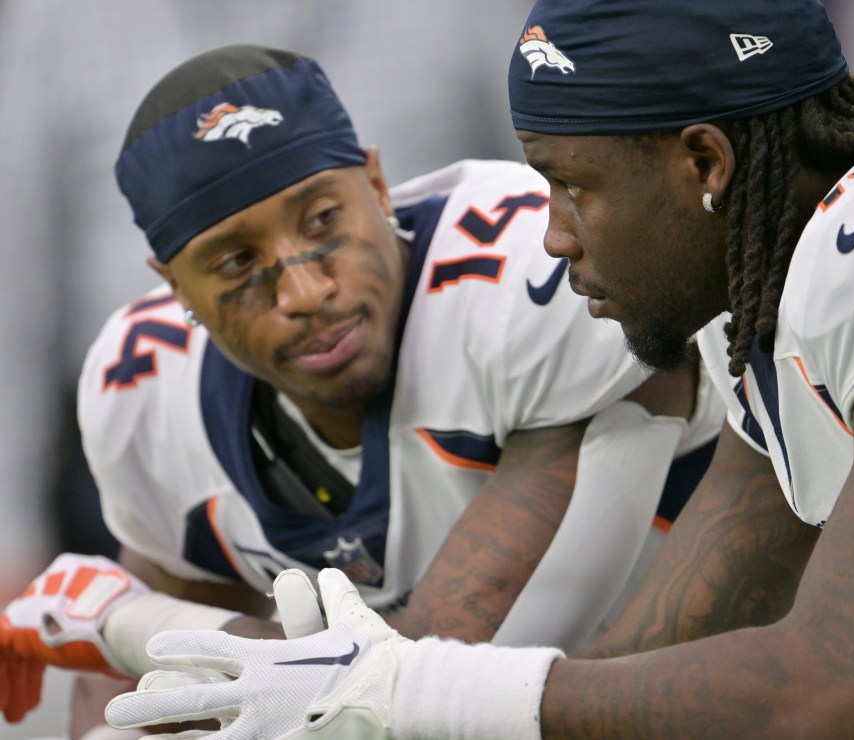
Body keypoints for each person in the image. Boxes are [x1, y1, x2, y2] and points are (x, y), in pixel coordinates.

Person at [101, 1, 854, 738]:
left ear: (704, 161)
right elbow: (639, 658)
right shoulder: (754, 312)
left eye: (573, 185)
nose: (553, 234)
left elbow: (831, 697)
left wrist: (411, 688)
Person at [0, 42, 726, 736]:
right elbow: (155, 695)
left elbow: (410, 693)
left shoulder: (522, 282)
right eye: (235, 261)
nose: (308, 291)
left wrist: (118, 620)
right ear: (171, 285)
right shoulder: (145, 392)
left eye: (323, 221)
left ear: (377, 186)